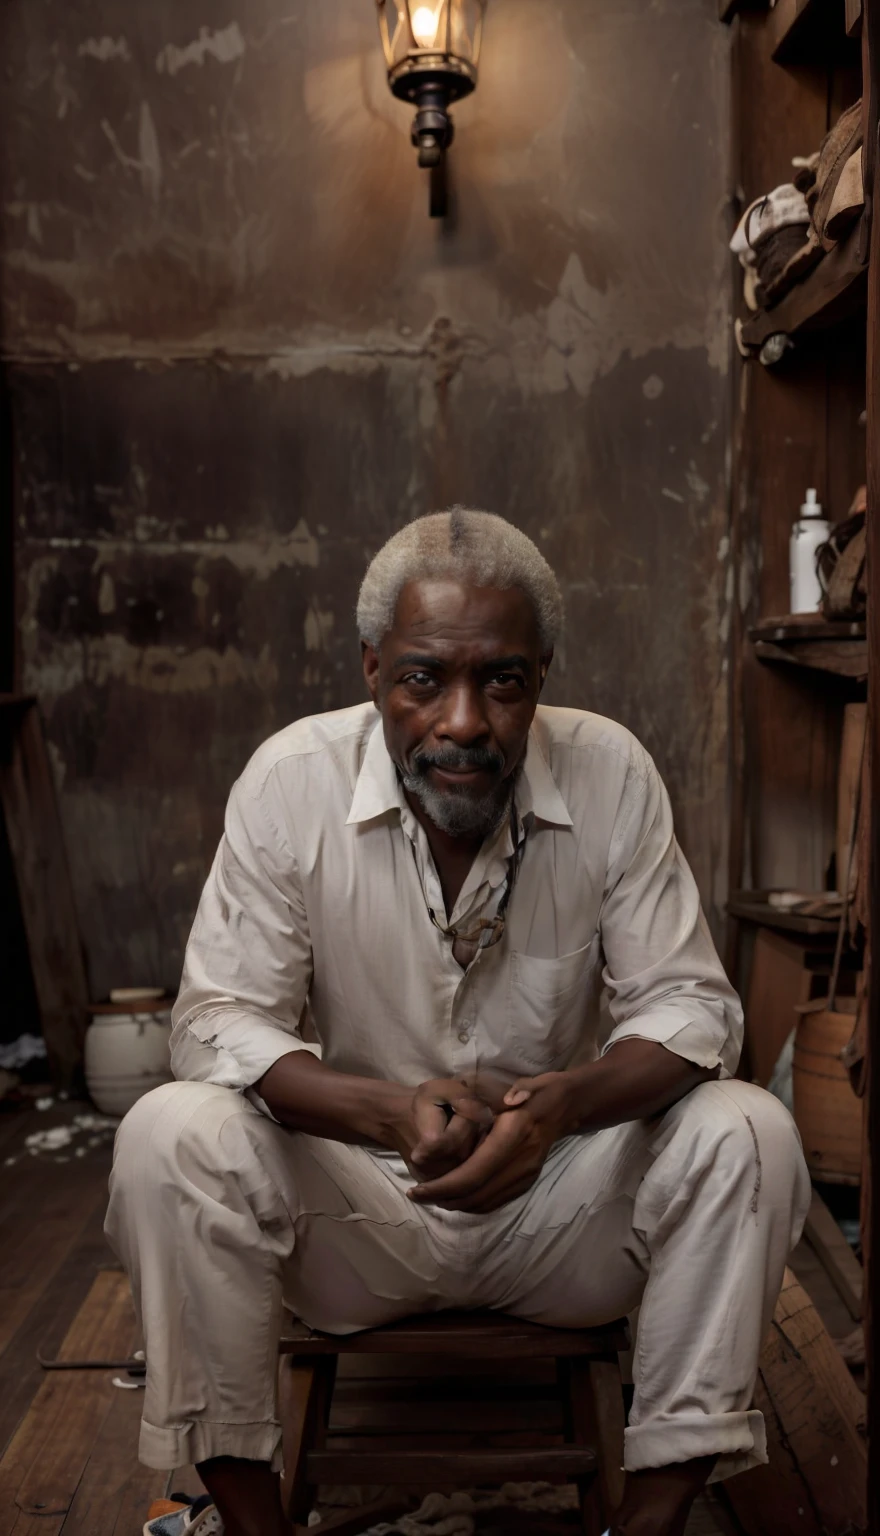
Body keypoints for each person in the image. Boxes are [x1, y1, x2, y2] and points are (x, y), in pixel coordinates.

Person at [107, 509, 810, 1536]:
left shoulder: (609, 772)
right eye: (423, 678)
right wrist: (388, 1113)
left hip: (560, 1220)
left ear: (542, 677)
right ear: (371, 670)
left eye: (504, 682)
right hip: (359, 1225)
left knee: (749, 1129)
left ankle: (647, 1521)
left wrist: (561, 1107)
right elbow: (219, 1023)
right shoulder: (290, 780)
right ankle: (257, 1530)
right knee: (168, 1132)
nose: (464, 721)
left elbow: (692, 1008)